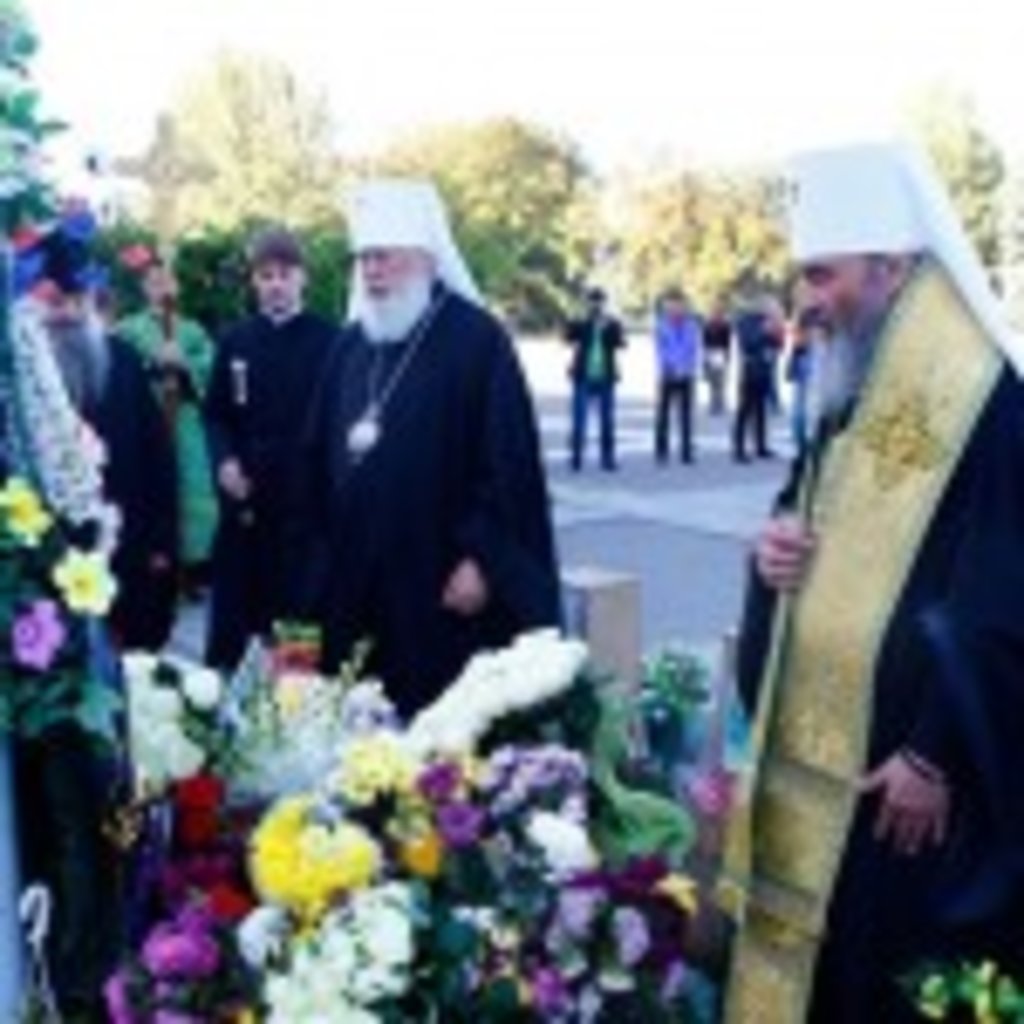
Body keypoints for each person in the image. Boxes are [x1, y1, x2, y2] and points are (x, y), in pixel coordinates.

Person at [722, 142, 1024, 1024]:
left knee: (883, 977)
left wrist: (939, 751)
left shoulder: (988, 395)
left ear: (892, 267)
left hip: (911, 784)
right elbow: (801, 503)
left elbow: (1005, 591)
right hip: (826, 764)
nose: (808, 299)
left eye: (824, 274)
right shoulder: (852, 377)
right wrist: (772, 552)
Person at [289, 179, 561, 717]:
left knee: (435, 733)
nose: (372, 270)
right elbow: (314, 460)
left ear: (427, 259)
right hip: (353, 585)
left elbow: (509, 465)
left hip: (439, 583)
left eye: (384, 256)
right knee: (359, 731)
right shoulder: (350, 345)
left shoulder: (477, 341)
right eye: (365, 258)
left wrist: (483, 561)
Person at [204, 227, 340, 669]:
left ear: (302, 278)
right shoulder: (235, 340)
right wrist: (224, 461)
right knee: (238, 610)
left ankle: (293, 698)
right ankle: (225, 693)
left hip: (304, 504)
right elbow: (216, 414)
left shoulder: (331, 342)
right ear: (254, 282)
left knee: (298, 610)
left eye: (284, 274)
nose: (275, 285)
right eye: (265, 276)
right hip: (247, 500)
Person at [36, 233, 179, 650]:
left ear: (90, 300)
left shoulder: (124, 362)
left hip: (125, 547)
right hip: (44, 553)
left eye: (75, 300)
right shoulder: (20, 376)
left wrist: (162, 541)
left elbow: (158, 459)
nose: (65, 313)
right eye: (54, 302)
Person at [118, 255, 217, 594]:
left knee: (191, 489)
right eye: (154, 281)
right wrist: (153, 363)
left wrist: (185, 364)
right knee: (151, 490)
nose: (161, 287)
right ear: (143, 287)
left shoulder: (192, 330)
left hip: (185, 422)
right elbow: (119, 368)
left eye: (167, 280)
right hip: (146, 424)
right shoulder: (128, 329)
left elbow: (210, 369)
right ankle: (154, 564)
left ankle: (190, 570)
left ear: (177, 286)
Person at [565, 287, 625, 471]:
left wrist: (608, 330)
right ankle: (576, 456)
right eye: (592, 302)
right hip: (583, 375)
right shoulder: (582, 321)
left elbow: (621, 344)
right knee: (579, 419)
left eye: (599, 302)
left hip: (605, 375)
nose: (596, 306)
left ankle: (608, 457)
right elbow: (568, 337)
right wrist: (576, 321)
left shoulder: (612, 322)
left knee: (607, 419)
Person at [653, 288, 702, 464]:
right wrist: (667, 367)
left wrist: (690, 368)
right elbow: (660, 350)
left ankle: (686, 451)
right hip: (668, 373)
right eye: (672, 305)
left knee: (686, 414)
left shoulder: (691, 325)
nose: (675, 309)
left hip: (686, 374)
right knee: (663, 414)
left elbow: (694, 349)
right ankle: (661, 451)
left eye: (679, 305)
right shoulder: (661, 325)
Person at [731, 301, 777, 461]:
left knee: (760, 410)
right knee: (744, 409)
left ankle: (761, 445)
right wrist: (763, 331)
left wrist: (774, 334)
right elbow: (747, 344)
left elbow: (775, 344)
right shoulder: (744, 323)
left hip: (764, 368)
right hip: (750, 370)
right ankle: (738, 448)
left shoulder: (768, 321)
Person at [784, 307, 825, 456]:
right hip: (808, 360)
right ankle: (804, 444)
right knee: (805, 407)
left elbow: (797, 340)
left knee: (801, 406)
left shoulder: (807, 312)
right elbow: (798, 341)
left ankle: (802, 445)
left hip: (804, 360)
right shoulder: (815, 313)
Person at [703, 299, 733, 415]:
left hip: (720, 354)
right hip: (711, 353)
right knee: (712, 381)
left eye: (718, 311)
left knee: (720, 381)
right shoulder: (708, 325)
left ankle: (720, 403)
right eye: (714, 311)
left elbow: (727, 343)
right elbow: (704, 342)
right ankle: (713, 403)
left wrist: (727, 356)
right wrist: (705, 357)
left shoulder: (725, 325)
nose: (715, 313)